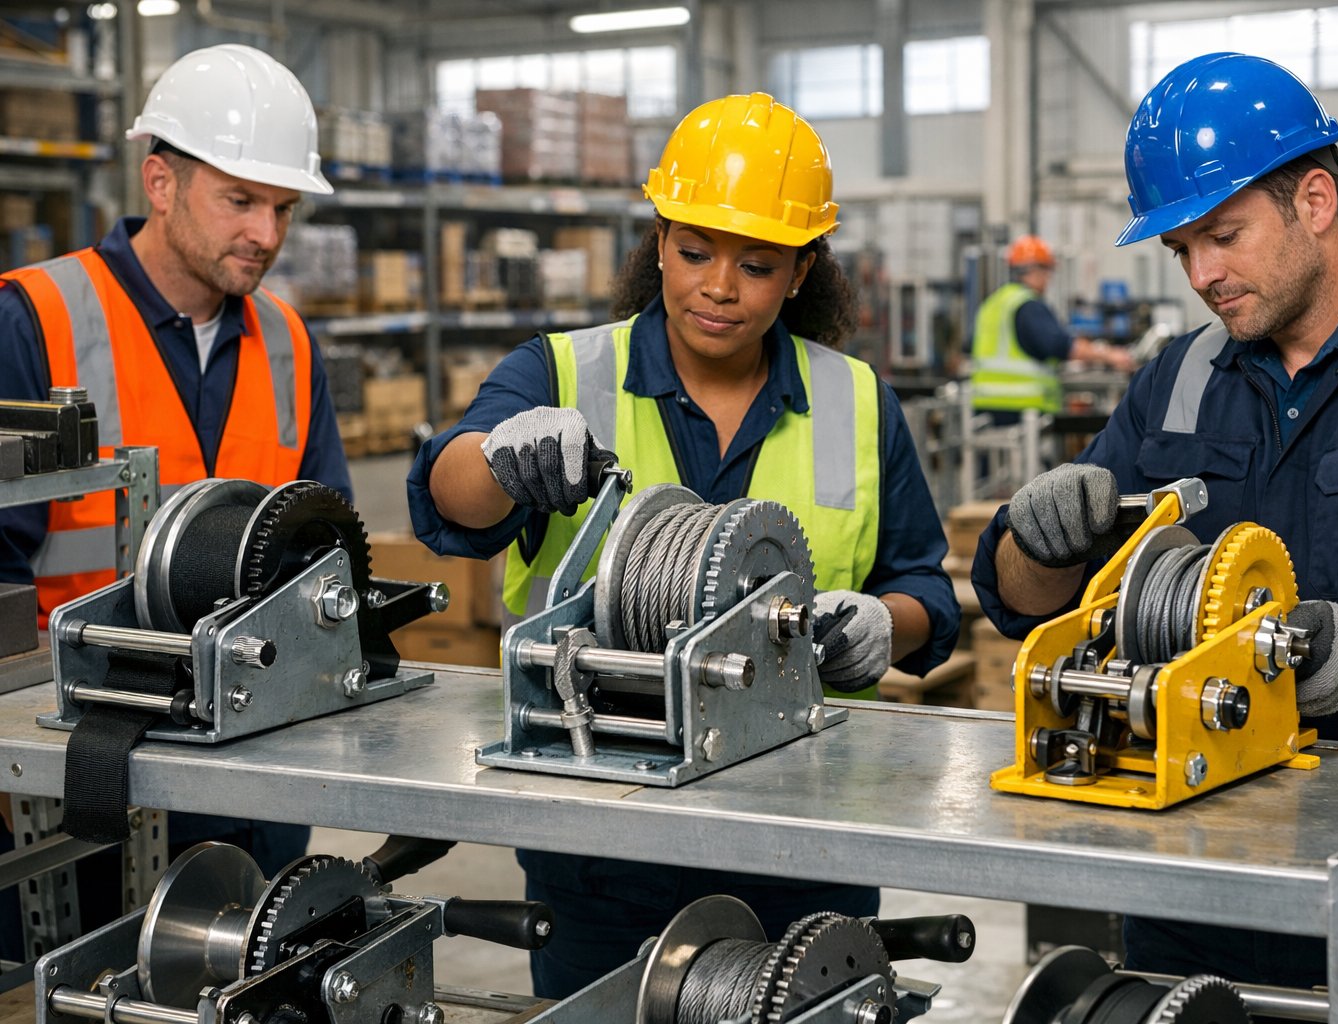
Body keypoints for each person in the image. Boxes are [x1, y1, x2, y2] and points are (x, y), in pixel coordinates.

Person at [971, 52, 1338, 1024]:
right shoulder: (1177, 380)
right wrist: (1038, 537)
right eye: (1180, 249)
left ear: (1315, 199)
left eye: (1222, 237)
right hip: (1193, 888)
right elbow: (1027, 602)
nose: (1202, 276)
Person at [409, 91, 960, 997]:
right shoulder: (561, 372)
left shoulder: (858, 401)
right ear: (658, 240)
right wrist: (500, 462)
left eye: (756, 263)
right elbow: (450, 497)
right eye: (694, 250)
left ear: (802, 269)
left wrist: (881, 626)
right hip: (600, 832)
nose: (718, 286)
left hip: (802, 835)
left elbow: (922, 593)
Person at [0, 43, 350, 949]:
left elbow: (326, 549)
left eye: (283, 207)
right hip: (78, 772)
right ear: (161, 182)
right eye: (240, 201)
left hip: (252, 769)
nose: (267, 235)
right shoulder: (35, 318)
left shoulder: (289, 341)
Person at [969, 233, 1134, 423]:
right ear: (1034, 270)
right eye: (1047, 271)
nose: (1049, 279)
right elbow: (1061, 346)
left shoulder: (993, 303)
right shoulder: (1028, 305)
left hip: (985, 406)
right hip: (1021, 409)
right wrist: (1111, 355)